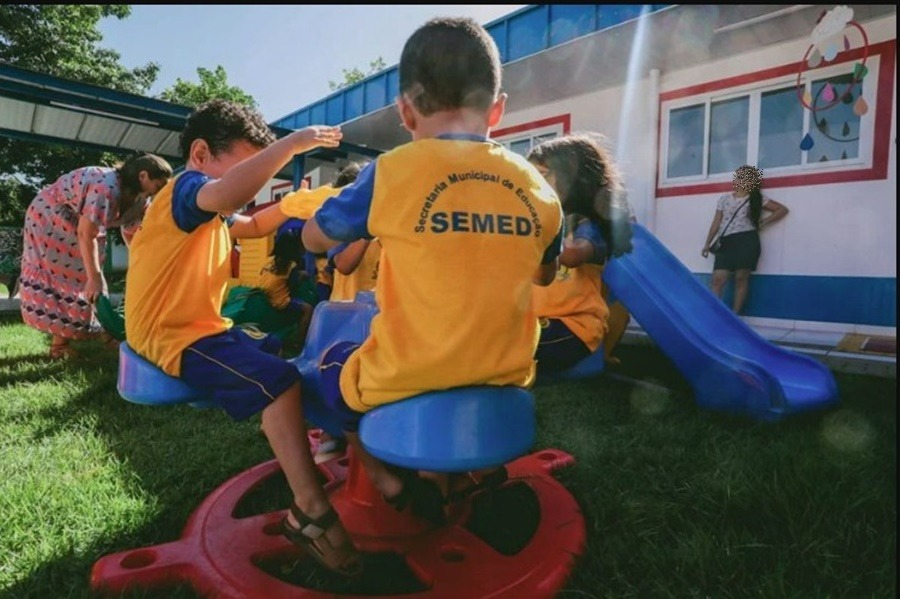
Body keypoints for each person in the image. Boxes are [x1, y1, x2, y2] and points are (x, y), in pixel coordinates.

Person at [301, 17, 563, 527]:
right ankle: (455, 477)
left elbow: (316, 236)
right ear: (498, 109)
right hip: (505, 376)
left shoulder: (392, 171)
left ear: (404, 111)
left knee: (311, 376)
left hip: (408, 375)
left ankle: (386, 480)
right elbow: (544, 278)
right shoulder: (540, 189)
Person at [122, 99, 358, 576]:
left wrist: (296, 205)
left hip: (199, 325)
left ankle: (319, 440)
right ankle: (309, 508)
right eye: (248, 163)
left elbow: (249, 226)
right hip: (174, 334)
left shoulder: (206, 206)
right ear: (202, 153)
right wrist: (293, 144)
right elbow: (230, 197)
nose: (254, 178)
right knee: (279, 382)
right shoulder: (185, 188)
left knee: (288, 364)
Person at [19, 153, 173, 359]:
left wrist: (139, 266)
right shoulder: (105, 188)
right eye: (160, 184)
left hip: (82, 227)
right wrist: (94, 277)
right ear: (143, 176)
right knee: (82, 276)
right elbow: (86, 233)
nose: (163, 191)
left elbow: (132, 232)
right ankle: (62, 346)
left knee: (90, 273)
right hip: (49, 219)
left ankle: (108, 335)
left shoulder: (141, 200)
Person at [527, 133, 634, 374]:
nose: (531, 183)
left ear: (572, 179)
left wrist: (537, 229)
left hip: (572, 328)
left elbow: (573, 256)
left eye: (541, 175)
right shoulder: (544, 222)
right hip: (538, 321)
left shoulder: (589, 226)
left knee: (501, 346)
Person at [702, 165, 789, 314]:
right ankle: (714, 315)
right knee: (717, 280)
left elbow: (782, 209)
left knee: (741, 279)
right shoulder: (724, 199)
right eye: (737, 176)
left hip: (747, 241)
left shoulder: (757, 199)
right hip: (726, 242)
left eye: (742, 177)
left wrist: (763, 222)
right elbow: (716, 222)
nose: (737, 179)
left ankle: (735, 317)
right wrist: (707, 243)